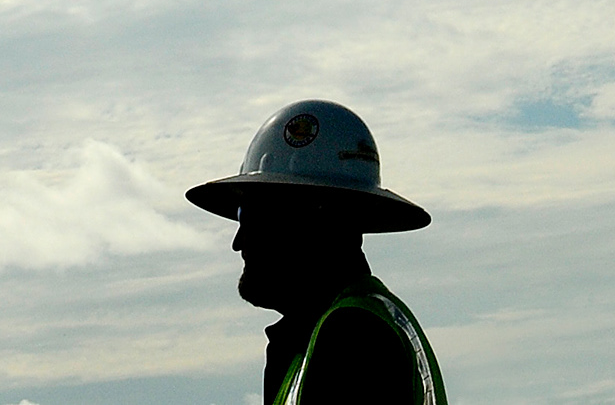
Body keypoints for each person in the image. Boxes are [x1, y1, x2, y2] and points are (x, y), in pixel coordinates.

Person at [188, 98, 447, 405]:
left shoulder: (352, 337)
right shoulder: (351, 328)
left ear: (315, 221)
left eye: (253, 218)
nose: (239, 241)